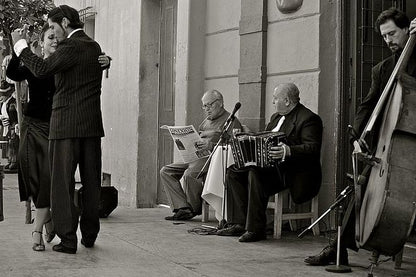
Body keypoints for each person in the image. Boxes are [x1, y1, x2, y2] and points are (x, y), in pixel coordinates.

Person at [305, 7, 416, 266]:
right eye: (384, 37)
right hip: (395, 145)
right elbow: (367, 106)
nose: (388, 41)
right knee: (361, 183)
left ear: (405, 29)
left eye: (392, 34)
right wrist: (358, 134)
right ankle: (339, 248)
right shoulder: (382, 69)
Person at [11, 5, 109, 254]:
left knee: (62, 185)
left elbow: (42, 69)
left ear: (65, 22)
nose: (53, 33)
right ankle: (89, 235)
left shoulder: (70, 46)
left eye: (53, 27)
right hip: (91, 126)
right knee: (91, 182)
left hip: (65, 126)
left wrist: (20, 46)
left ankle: (67, 240)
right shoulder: (94, 47)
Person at [216, 83, 323, 242]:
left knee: (256, 173)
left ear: (286, 100)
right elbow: (263, 139)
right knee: (233, 171)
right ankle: (238, 222)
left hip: (293, 172)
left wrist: (288, 150)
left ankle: (256, 230)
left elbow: (313, 147)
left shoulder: (309, 118)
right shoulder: (275, 118)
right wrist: (246, 136)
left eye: (275, 99)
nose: (273, 102)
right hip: (270, 168)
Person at [160, 89, 242, 221]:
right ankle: (182, 207)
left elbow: (234, 147)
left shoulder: (231, 121)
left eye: (210, 105)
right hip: (197, 156)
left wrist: (210, 145)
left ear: (220, 103)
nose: (207, 109)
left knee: (190, 174)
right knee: (166, 171)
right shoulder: (206, 122)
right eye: (204, 106)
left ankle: (193, 208)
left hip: (214, 158)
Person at [0, 80, 18, 172]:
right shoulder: (3, 104)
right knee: (8, 144)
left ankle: (14, 161)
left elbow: (15, 116)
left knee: (13, 143)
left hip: (13, 125)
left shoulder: (12, 102)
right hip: (6, 126)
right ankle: (10, 160)